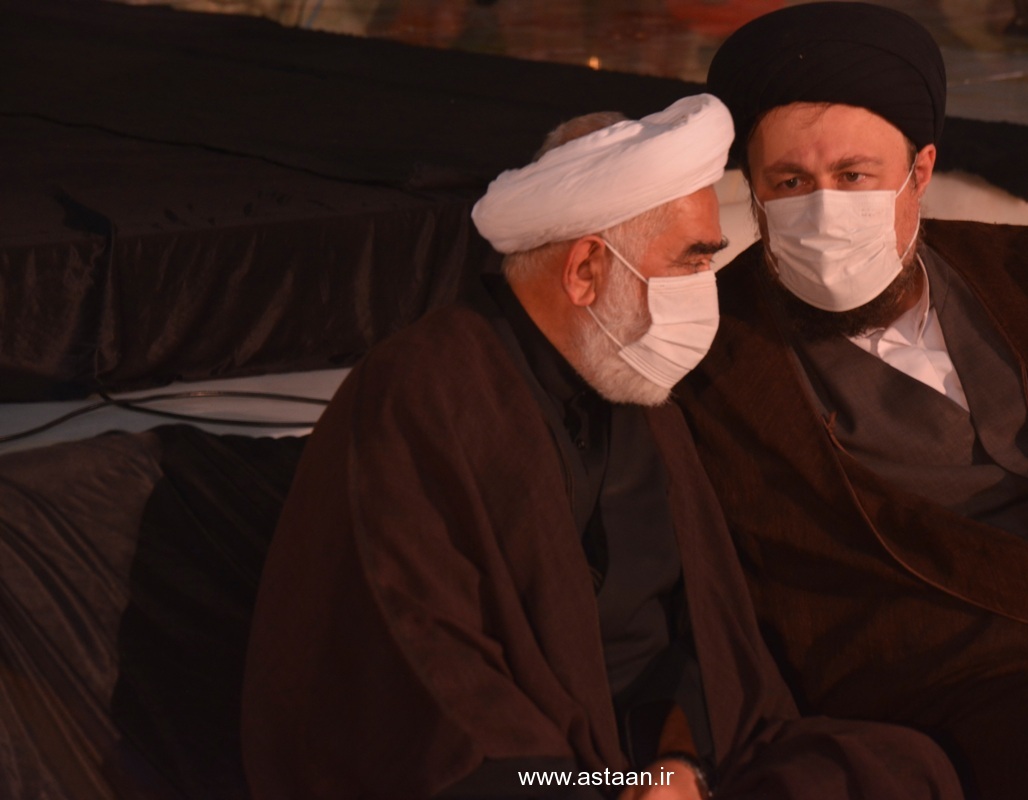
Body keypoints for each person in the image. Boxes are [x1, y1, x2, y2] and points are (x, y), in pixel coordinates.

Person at [240, 94, 962, 800]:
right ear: (586, 270)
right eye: (690, 263)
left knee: (897, 769)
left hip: (655, 764)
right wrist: (606, 783)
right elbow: (427, 679)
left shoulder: (631, 379)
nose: (705, 292)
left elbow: (691, 633)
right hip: (535, 776)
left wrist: (678, 765)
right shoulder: (424, 391)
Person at [674, 3, 1028, 798]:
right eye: (789, 183)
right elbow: (695, 594)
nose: (823, 208)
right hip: (976, 684)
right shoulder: (717, 365)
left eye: (854, 176)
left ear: (919, 172)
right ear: (753, 190)